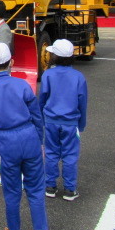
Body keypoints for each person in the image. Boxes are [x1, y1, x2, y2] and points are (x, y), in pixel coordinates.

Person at [0, 43, 49, 230]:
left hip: (5, 140)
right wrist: (41, 143)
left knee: (11, 191)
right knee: (36, 188)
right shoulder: (22, 85)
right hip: (29, 137)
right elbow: (37, 117)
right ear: (11, 62)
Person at [39, 39, 87, 202]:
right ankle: (69, 189)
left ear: (54, 56)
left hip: (51, 120)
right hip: (71, 122)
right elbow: (82, 102)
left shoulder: (48, 74)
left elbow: (42, 98)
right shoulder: (78, 77)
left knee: (51, 153)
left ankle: (50, 186)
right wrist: (81, 123)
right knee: (70, 156)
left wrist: (41, 117)